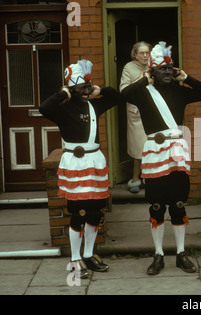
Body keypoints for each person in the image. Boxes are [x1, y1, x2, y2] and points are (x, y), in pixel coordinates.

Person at [121, 41, 201, 275]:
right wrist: (143, 80)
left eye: (170, 68)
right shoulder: (142, 93)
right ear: (152, 70)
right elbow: (123, 94)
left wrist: (186, 76)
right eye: (162, 69)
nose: (168, 73)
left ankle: (181, 253)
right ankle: (158, 254)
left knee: (178, 204)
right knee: (157, 205)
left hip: (177, 153)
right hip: (154, 152)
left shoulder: (179, 90)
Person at [40, 59, 121, 278]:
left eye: (89, 86)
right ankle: (75, 259)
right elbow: (43, 107)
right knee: (79, 211)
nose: (86, 90)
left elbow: (117, 97)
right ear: (71, 88)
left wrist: (100, 90)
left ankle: (89, 254)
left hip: (94, 162)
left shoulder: (94, 104)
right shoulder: (62, 109)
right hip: (75, 164)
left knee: (96, 210)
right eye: (82, 87)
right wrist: (64, 93)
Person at [120, 41, 152, 193]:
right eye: (142, 53)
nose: (145, 56)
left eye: (147, 52)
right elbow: (124, 90)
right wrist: (141, 79)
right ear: (135, 54)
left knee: (153, 146)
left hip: (152, 109)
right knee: (138, 147)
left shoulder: (154, 64)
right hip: (136, 112)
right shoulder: (129, 67)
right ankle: (135, 179)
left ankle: (150, 178)